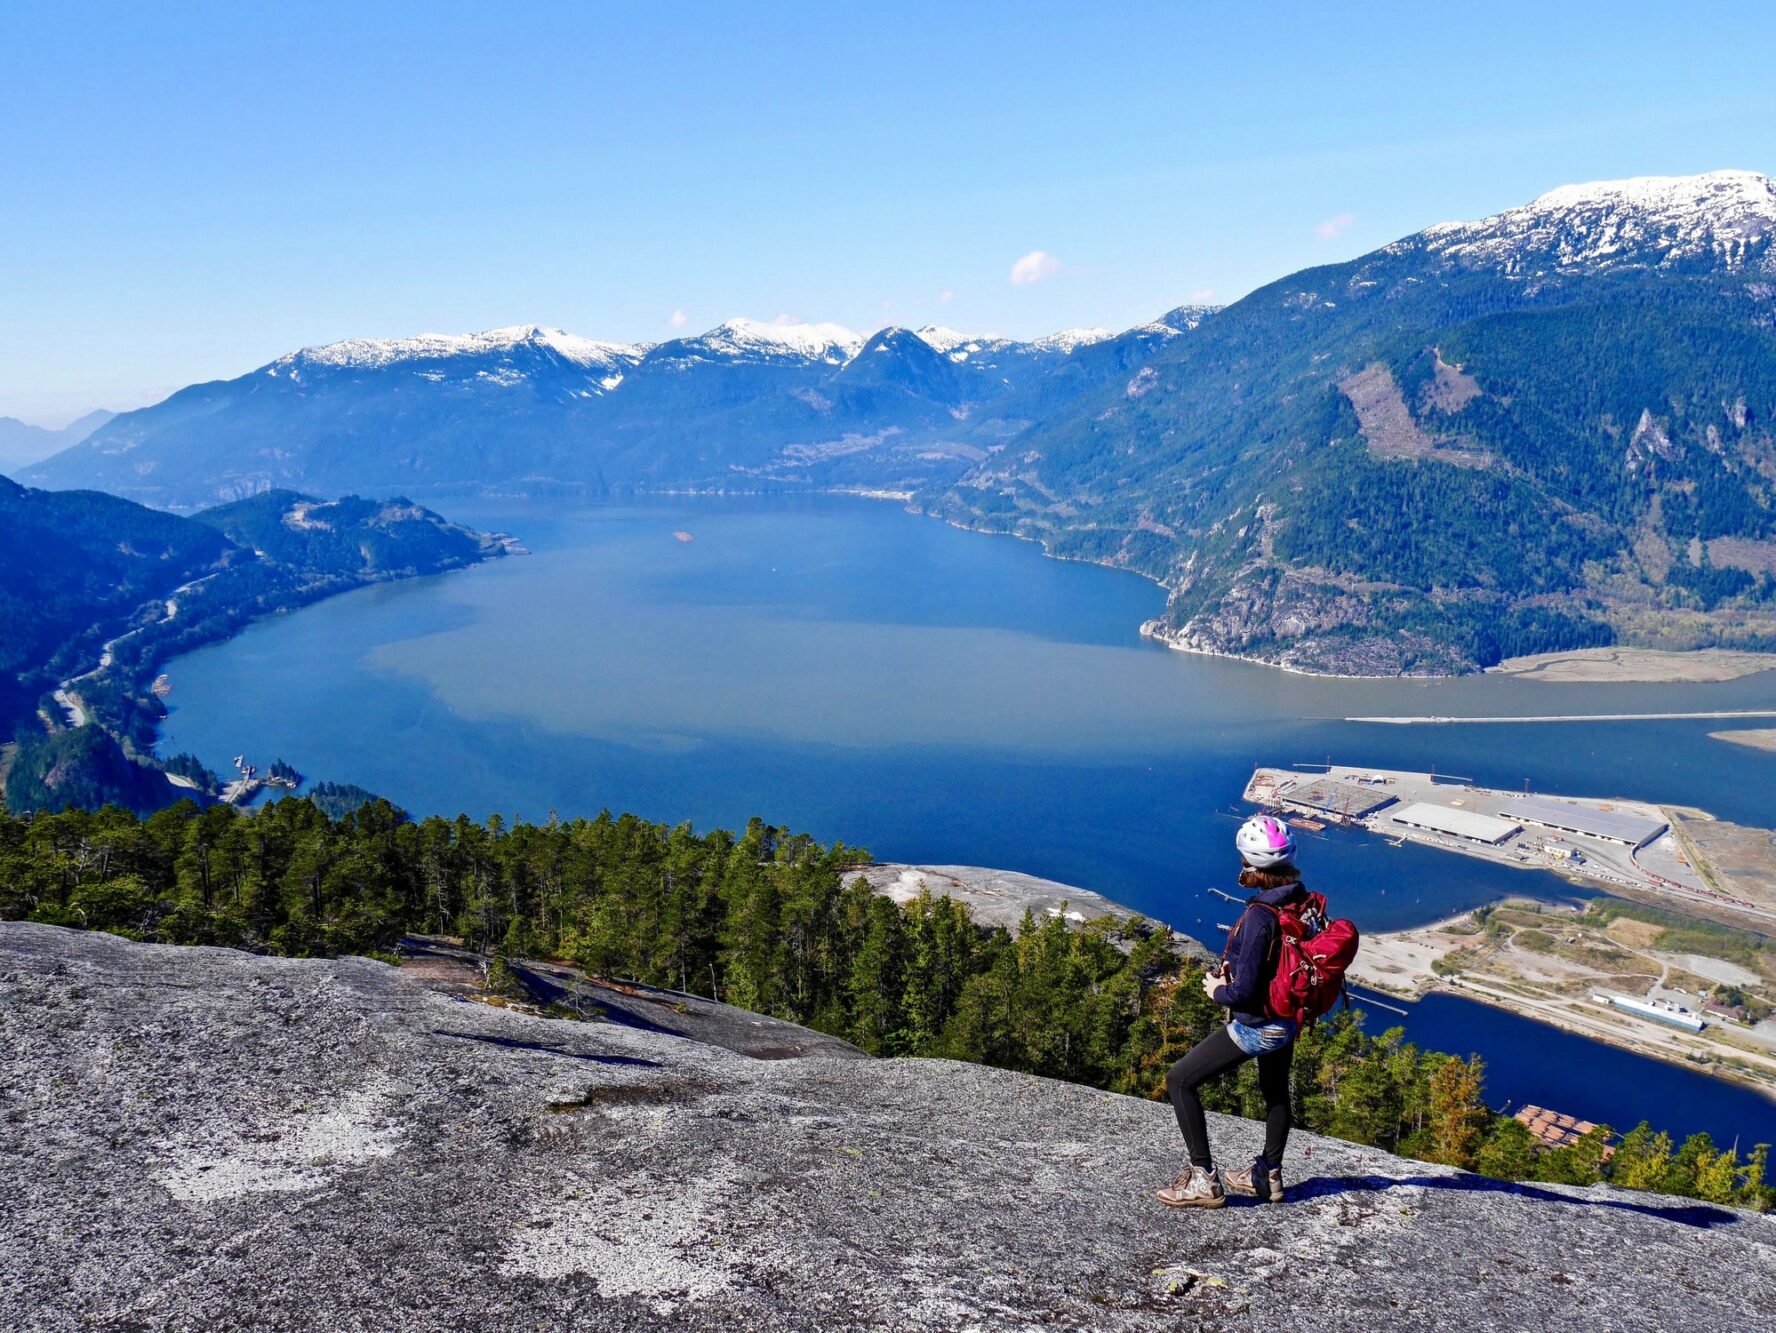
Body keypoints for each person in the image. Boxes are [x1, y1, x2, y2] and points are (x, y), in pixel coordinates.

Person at [1155, 814, 1309, 1208]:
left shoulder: (1260, 916)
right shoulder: (1297, 899)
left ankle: (1203, 1180)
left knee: (1180, 1081)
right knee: (1275, 1092)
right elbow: (1279, 962)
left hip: (1259, 1024)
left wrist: (1217, 990)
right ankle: (1267, 1176)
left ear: (1249, 864)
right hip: (1287, 1016)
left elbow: (1242, 994)